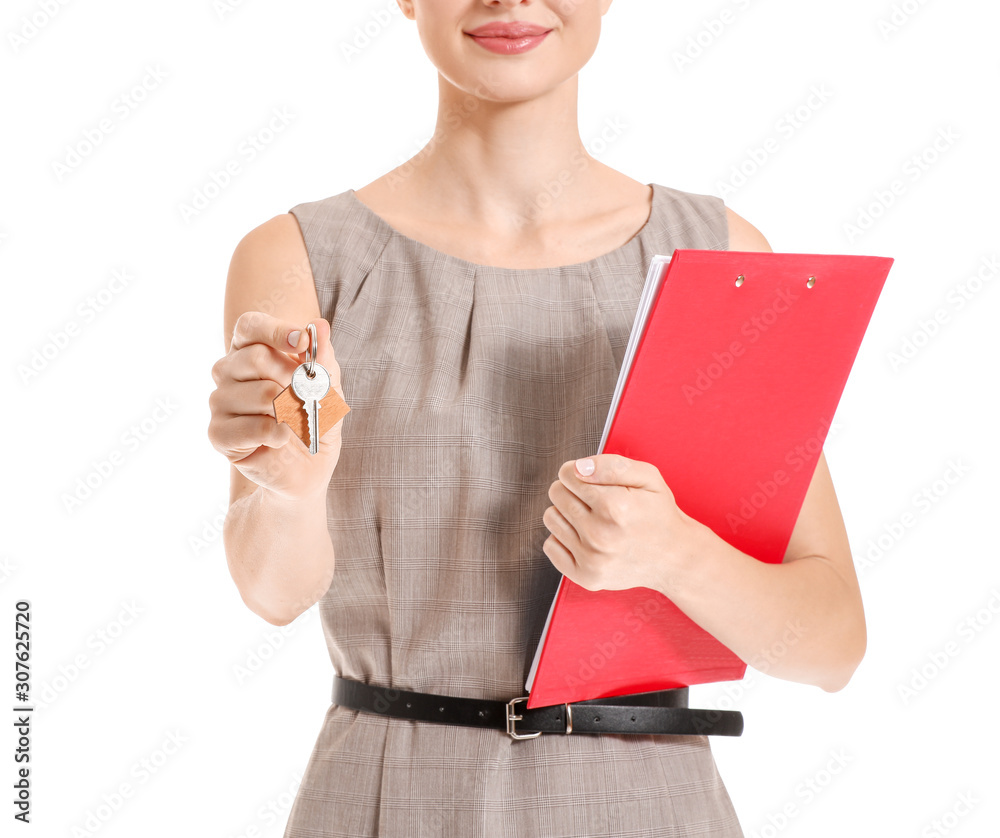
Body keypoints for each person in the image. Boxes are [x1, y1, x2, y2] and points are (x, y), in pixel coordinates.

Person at [207, 1, 867, 835]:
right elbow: (271, 591)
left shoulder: (722, 256)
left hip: (647, 810)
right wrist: (292, 490)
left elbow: (833, 644)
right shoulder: (299, 260)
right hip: (389, 803)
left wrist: (676, 555)